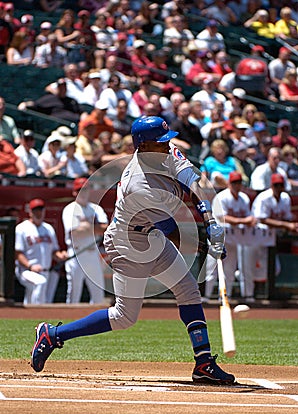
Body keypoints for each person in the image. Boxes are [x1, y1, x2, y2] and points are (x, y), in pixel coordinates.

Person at [30, 115, 236, 386]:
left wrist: (210, 220)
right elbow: (172, 231)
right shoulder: (139, 186)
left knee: (188, 290)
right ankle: (53, 335)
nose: (167, 145)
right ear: (143, 146)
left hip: (152, 235)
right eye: (160, 142)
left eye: (166, 140)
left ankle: (204, 363)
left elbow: (193, 181)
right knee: (124, 316)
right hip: (128, 243)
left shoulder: (166, 152)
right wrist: (206, 243)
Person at [203, 171, 258, 303]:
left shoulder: (244, 198)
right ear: (229, 183)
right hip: (219, 236)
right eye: (234, 182)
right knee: (212, 269)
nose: (236, 185)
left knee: (230, 270)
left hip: (235, 237)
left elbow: (249, 217)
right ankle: (206, 296)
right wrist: (244, 221)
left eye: (239, 182)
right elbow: (223, 217)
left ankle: (225, 296)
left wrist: (247, 221)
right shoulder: (222, 197)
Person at [62, 177, 108, 304]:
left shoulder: (96, 208)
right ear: (74, 192)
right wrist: (94, 227)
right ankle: (69, 321)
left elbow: (105, 228)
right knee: (74, 294)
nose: (83, 192)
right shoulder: (69, 209)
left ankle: (95, 324)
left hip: (93, 253)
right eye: (79, 190)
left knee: (98, 294)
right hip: (76, 254)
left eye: (85, 189)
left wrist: (87, 226)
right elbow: (74, 232)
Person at [246, 173, 298, 286]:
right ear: (271, 185)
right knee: (249, 267)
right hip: (256, 235)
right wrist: (286, 225)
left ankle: (259, 290)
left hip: (270, 237)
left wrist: (291, 225)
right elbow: (262, 219)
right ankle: (248, 288)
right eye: (276, 185)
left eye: (280, 185)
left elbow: (287, 217)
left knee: (274, 268)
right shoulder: (264, 197)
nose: (278, 188)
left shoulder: (285, 198)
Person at [15, 198, 67, 305]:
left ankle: (27, 317)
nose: (38, 213)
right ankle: (37, 315)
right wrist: (30, 266)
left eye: (40, 210)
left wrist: (60, 256)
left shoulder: (48, 229)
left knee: (31, 295)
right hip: (26, 270)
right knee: (40, 283)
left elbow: (54, 251)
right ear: (30, 212)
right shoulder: (21, 228)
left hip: (44, 270)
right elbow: (17, 253)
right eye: (35, 210)